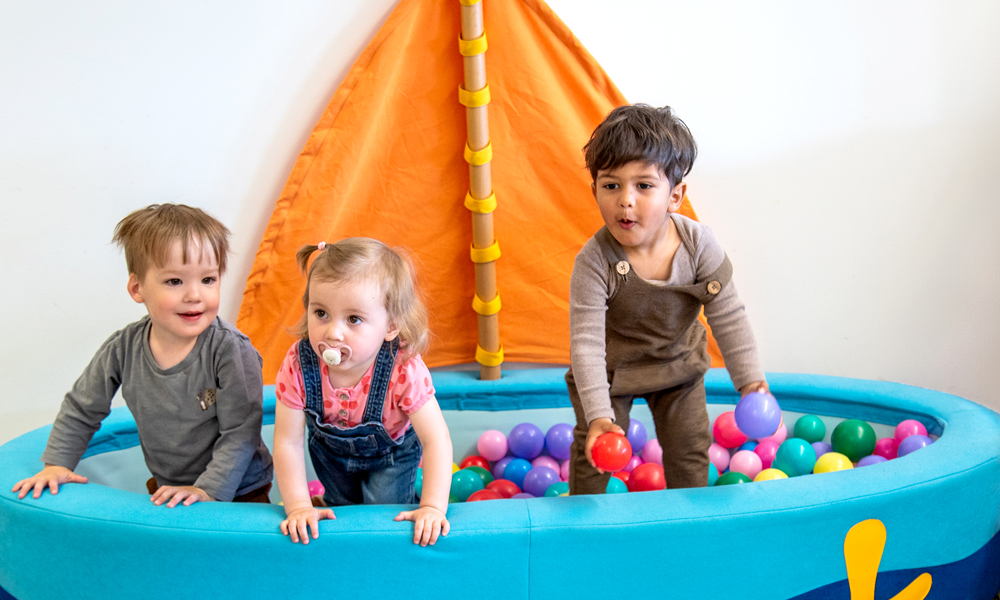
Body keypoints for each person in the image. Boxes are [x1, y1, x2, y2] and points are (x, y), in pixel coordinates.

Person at [12, 204, 274, 506]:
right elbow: (82, 408)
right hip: (168, 486)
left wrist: (208, 491)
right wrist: (57, 465)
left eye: (208, 280)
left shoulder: (230, 349)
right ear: (137, 288)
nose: (194, 295)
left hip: (239, 491)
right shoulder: (123, 348)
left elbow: (241, 432)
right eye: (175, 281)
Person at [567, 104, 768, 494]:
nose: (626, 200)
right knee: (596, 454)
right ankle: (583, 521)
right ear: (595, 191)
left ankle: (689, 521)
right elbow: (586, 345)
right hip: (611, 374)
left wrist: (750, 381)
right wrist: (599, 418)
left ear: (675, 196)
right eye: (611, 186)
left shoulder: (698, 245)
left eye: (643, 186)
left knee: (689, 450)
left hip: (678, 367)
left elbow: (728, 314)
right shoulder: (594, 261)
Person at [272, 238, 452, 546]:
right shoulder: (298, 364)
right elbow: (287, 442)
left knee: (385, 520)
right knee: (342, 517)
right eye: (321, 313)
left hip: (392, 456)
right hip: (331, 457)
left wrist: (433, 508)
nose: (333, 332)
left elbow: (436, 440)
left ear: (391, 326)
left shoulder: (403, 368)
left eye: (353, 319)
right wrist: (299, 506)